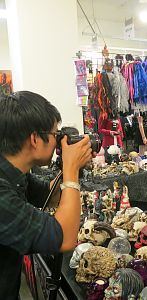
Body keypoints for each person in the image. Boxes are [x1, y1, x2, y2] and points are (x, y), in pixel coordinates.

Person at [0, 91, 93, 298]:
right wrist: (70, 169)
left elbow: (50, 195)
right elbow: (64, 238)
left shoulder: (12, 171)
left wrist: (71, 166)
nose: (57, 141)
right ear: (34, 138)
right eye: (54, 135)